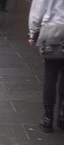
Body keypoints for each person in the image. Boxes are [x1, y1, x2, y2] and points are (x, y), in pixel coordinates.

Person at [28, 0, 64, 133]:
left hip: (51, 30)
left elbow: (38, 9)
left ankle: (48, 116)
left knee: (50, 75)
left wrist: (33, 32)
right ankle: (62, 113)